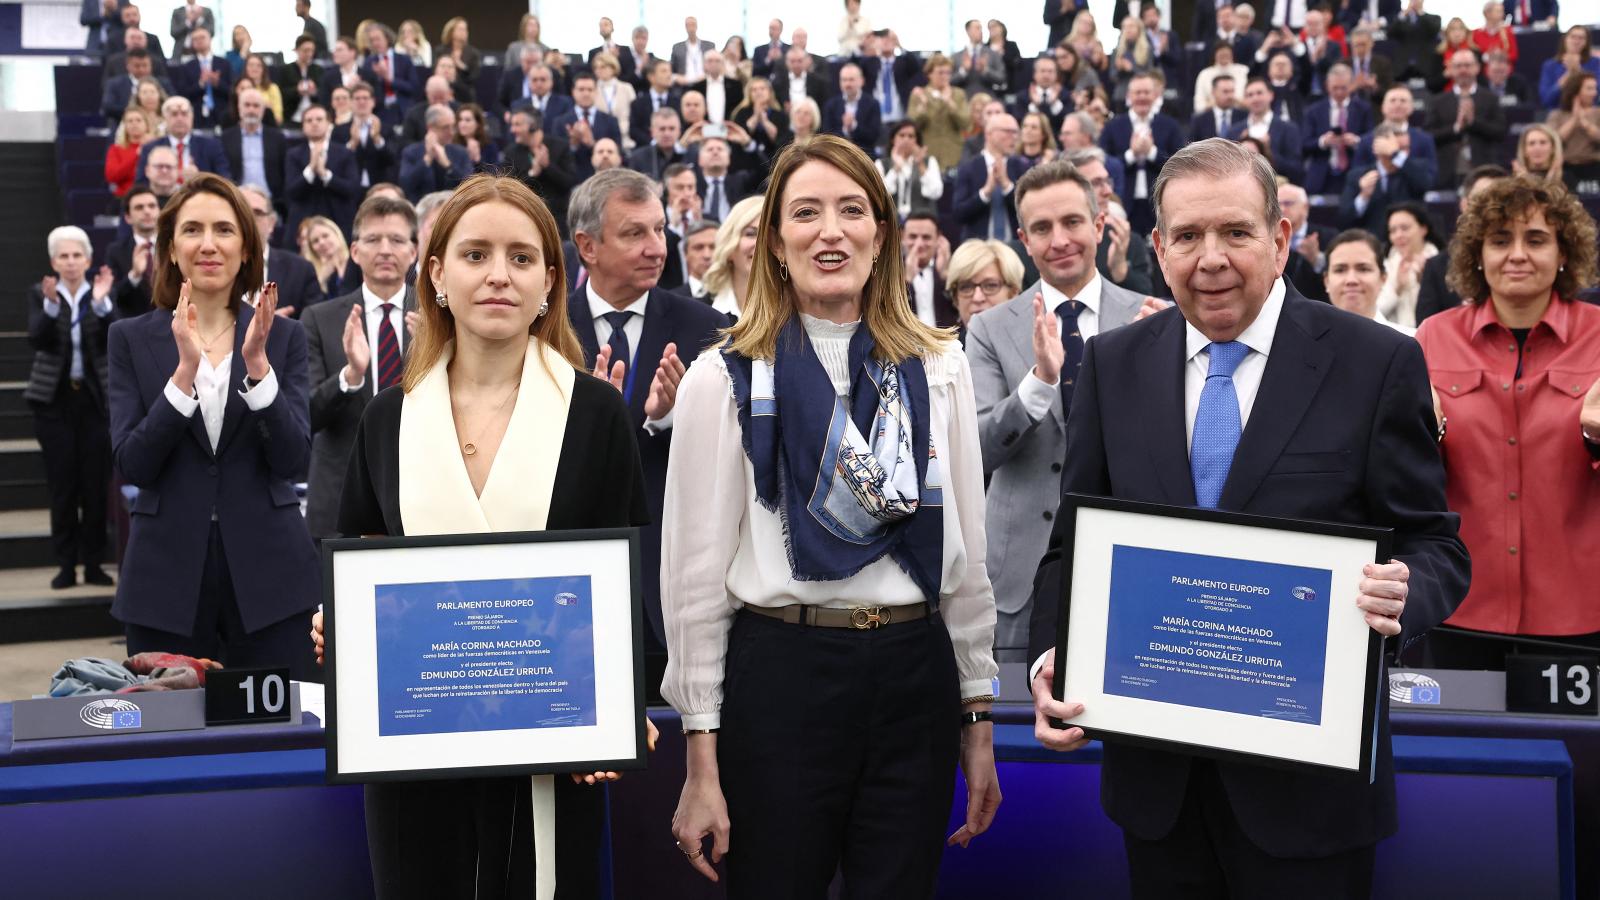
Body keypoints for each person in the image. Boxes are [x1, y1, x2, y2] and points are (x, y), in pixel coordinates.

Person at [1029, 137, 1469, 897]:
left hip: (1311, 798)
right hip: (1159, 791)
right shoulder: (1111, 364)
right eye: (1189, 237)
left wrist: (1407, 592)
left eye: (1235, 232)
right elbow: (1071, 547)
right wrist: (1050, 660)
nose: (1213, 259)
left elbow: (1436, 543)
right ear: (1158, 248)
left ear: (1281, 237)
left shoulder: (1376, 363)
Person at [663, 133, 1000, 898]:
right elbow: (693, 584)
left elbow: (968, 558)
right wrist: (700, 762)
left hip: (915, 679)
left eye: (853, 210)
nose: (831, 231)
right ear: (775, 242)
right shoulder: (724, 380)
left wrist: (977, 717)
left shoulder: (941, 369)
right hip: (782, 679)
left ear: (881, 236)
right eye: (806, 213)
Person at [318, 174, 651, 899]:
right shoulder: (388, 418)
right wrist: (338, 625)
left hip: (555, 757)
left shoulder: (594, 414)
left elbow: (629, 585)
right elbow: (361, 557)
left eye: (522, 257)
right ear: (435, 274)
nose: (499, 274)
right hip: (414, 762)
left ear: (550, 282)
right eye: (475, 254)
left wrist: (617, 707)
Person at [108, 173, 319, 678]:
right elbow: (134, 464)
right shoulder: (130, 339)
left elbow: (293, 459)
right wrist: (183, 375)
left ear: (246, 247)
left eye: (224, 230)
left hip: (273, 581)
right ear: (171, 248)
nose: (208, 244)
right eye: (192, 230)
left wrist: (258, 369)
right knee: (168, 743)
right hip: (165, 583)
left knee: (285, 740)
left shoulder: (282, 337)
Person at [965, 160, 1147, 660]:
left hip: (1124, 565)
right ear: (1024, 239)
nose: (1060, 240)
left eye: (1071, 222)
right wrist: (1039, 383)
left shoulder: (1152, 318)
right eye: (1042, 228)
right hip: (1016, 575)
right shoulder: (990, 327)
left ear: (1099, 225)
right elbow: (977, 448)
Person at [1416, 175, 1600, 667]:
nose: (1517, 254)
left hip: (1580, 609)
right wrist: (1426, 434)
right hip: (1460, 604)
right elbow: (1409, 479)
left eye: (1536, 239)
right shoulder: (1432, 337)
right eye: (1500, 240)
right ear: (1478, 254)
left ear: (1565, 252)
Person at [565, 166, 728, 689]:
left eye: (659, 230)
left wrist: (669, 418)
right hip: (574, 585)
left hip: (674, 574)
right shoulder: (543, 331)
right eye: (635, 233)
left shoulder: (705, 327)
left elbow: (734, 447)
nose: (656, 247)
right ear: (587, 246)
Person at [301, 195, 416, 539]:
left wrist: (436, 357)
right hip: (341, 497)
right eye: (372, 240)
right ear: (354, 251)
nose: (384, 250)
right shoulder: (321, 319)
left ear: (414, 252)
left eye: (396, 240)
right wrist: (350, 375)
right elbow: (307, 414)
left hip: (420, 492)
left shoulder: (440, 318)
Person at [29, 228, 117, 590]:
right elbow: (37, 339)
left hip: (95, 403)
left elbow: (115, 338)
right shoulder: (41, 294)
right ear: (53, 262)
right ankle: (66, 564)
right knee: (62, 488)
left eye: (76, 255)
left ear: (87, 259)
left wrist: (101, 304)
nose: (70, 262)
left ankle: (94, 563)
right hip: (55, 402)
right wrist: (50, 308)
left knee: (95, 487)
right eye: (63, 257)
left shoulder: (100, 294)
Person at [1416, 164, 1509, 323]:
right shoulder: (1437, 267)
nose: (1492, 208)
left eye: (1502, 200)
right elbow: (1425, 333)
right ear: (1464, 204)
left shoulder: (1525, 260)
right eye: (1483, 199)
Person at [1098, 71, 1184, 236]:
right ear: (1129, 96)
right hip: (1123, 202)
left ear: (1155, 95)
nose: (1142, 97)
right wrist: (1132, 154)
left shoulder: (1170, 125)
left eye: (1146, 92)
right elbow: (1104, 165)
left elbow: (1179, 164)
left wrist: (1151, 152)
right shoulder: (1113, 126)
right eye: (1138, 92)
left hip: (1160, 202)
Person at [1426, 50, 1508, 189]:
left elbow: (1501, 132)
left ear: (1477, 68)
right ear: (1450, 69)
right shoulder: (1438, 101)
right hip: (1447, 173)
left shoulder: (1491, 98)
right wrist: (1455, 128)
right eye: (1458, 66)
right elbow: (1429, 135)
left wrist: (1473, 123)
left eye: (1467, 65)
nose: (1463, 70)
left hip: (1484, 170)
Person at [238, 184, 322, 318]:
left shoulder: (301, 270)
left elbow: (314, 327)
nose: (249, 219)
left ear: (271, 223)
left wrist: (281, 329)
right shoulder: (213, 266)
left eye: (257, 213)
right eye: (242, 212)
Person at [285, 104, 359, 239]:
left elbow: (352, 188)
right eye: (309, 120)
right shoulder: (293, 154)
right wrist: (310, 170)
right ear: (303, 126)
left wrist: (325, 175)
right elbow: (291, 191)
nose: (314, 123)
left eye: (319, 119)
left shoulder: (345, 153)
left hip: (340, 222)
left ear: (329, 123)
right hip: (303, 224)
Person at [1323, 229, 1413, 333]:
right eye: (1340, 270)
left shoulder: (1413, 341)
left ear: (1383, 278)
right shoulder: (1304, 344)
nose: (1351, 280)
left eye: (1363, 269)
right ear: (1326, 281)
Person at [954, 113, 1024, 242]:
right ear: (988, 134)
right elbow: (959, 214)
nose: (1014, 137)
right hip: (978, 248)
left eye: (1016, 132)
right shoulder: (968, 168)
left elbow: (1028, 210)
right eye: (1008, 132)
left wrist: (1007, 186)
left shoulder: (1022, 167)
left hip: (1016, 248)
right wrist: (985, 193)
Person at [1302, 63, 1370, 196]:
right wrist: (1324, 141)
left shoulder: (1363, 109)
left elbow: (1370, 140)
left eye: (1343, 88)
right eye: (1335, 88)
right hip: (1321, 175)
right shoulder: (1314, 110)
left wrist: (1356, 141)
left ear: (1351, 85)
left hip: (1353, 172)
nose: (1339, 92)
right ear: (1327, 85)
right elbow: (1304, 144)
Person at [508, 109, 578, 237]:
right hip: (524, 218)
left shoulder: (560, 146)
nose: (512, 130)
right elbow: (509, 187)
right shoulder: (511, 152)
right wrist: (533, 173)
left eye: (517, 125)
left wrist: (547, 166)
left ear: (533, 126)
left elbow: (569, 181)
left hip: (557, 219)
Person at [1226, 76, 1306, 185]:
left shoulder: (1289, 129)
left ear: (1271, 95)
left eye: (1259, 93)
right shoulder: (1234, 131)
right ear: (1245, 100)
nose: (1255, 98)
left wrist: (1268, 151)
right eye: (1250, 95)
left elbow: (1297, 170)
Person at [136, 96, 231, 182]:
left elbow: (225, 179)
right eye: (174, 114)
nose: (180, 118)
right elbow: (141, 183)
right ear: (165, 119)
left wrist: (199, 178)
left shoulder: (211, 146)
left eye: (184, 114)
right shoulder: (150, 148)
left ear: (192, 118)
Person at [1378, 201, 1441, 329]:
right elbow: (1374, 313)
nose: (1398, 235)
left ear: (1423, 229)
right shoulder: (1384, 265)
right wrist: (1397, 289)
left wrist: (1426, 283)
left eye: (1405, 228)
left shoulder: (1441, 263)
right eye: (1393, 230)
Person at [945, 239, 1024, 335]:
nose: (977, 298)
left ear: (1014, 292)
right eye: (966, 287)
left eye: (990, 286)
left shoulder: (1036, 345)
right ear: (956, 299)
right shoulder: (948, 349)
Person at [701, 196, 761, 319]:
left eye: (769, 234)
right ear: (728, 245)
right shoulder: (696, 314)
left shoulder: (799, 314)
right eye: (750, 234)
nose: (761, 244)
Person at [220, 88, 284, 204]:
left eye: (256, 106)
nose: (251, 110)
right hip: (236, 200)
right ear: (239, 108)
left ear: (263, 110)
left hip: (271, 201)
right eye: (247, 105)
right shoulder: (225, 138)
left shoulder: (277, 138)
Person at [908, 55, 970, 173]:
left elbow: (965, 123)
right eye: (940, 72)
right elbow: (912, 126)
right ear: (929, 74)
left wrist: (950, 104)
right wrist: (923, 106)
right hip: (928, 153)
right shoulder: (918, 94)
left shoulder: (958, 94)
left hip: (953, 153)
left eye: (948, 72)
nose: (945, 76)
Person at [399, 105, 472, 203]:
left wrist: (448, 165)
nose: (451, 132)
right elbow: (405, 185)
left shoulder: (461, 152)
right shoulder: (411, 152)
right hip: (421, 210)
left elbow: (470, 185)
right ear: (430, 127)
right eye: (445, 127)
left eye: (453, 126)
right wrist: (427, 159)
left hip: (453, 209)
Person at [107, 186, 160, 317]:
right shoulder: (116, 251)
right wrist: (134, 275)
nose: (147, 211)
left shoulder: (174, 246)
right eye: (139, 207)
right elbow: (114, 297)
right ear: (128, 217)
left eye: (152, 206)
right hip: (136, 325)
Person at [1279, 182, 1337, 303]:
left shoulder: (1329, 237)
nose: (1283, 209)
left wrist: (1316, 260)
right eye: (1278, 204)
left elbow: (1336, 278)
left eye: (1288, 203)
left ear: (1305, 207)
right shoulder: (1271, 238)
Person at [1547, 72, 1600, 193]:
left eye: (1595, 88)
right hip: (1567, 170)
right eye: (1589, 88)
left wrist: (1585, 124)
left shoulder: (1598, 113)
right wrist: (1574, 120)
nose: (1594, 93)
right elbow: (1553, 140)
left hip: (1595, 168)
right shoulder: (1557, 115)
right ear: (1576, 91)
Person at [880, 121, 944, 220]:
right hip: (891, 223)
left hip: (921, 223)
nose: (906, 139)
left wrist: (921, 165)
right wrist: (896, 168)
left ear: (916, 140)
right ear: (893, 139)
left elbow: (936, 192)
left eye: (911, 136)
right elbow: (880, 194)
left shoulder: (929, 161)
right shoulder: (881, 164)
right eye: (902, 135)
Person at [173, 26, 231, 130]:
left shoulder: (224, 64)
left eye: (202, 37)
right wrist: (200, 84)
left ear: (210, 39)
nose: (199, 41)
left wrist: (217, 83)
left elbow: (232, 91)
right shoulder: (186, 67)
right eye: (195, 39)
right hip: (196, 117)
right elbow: (182, 94)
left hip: (222, 115)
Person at [903, 212, 955, 328]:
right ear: (902, 237)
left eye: (926, 237)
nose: (919, 244)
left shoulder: (951, 269)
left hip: (945, 341)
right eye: (913, 237)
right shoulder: (888, 271)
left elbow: (959, 309)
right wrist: (907, 280)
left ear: (938, 239)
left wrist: (945, 277)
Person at [822, 63, 882, 158]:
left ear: (861, 81)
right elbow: (827, 135)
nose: (847, 84)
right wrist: (845, 129)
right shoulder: (831, 105)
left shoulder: (873, 104)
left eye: (851, 79)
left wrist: (854, 126)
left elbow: (874, 135)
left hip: (865, 156)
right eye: (844, 80)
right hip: (838, 155)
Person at [1539, 26, 1600, 110]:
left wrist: (1578, 70)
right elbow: (1547, 100)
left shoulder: (1595, 63)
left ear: (1586, 42)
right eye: (1573, 37)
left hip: (1588, 112)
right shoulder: (1550, 65)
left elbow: (1596, 96)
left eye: (1581, 38)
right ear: (1565, 39)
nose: (1576, 41)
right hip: (1558, 112)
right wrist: (1569, 74)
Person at [591, 52, 637, 152]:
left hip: (626, 140)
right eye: (596, 67)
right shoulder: (592, 89)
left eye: (603, 67)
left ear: (613, 67)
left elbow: (635, 114)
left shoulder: (626, 88)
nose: (599, 70)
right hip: (601, 141)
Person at [302, 216, 352, 297]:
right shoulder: (313, 274)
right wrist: (322, 280)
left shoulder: (356, 260)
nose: (321, 242)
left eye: (325, 236)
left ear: (336, 234)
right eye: (315, 241)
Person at [106, 106, 150, 197]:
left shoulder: (156, 147)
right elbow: (112, 176)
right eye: (130, 121)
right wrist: (136, 154)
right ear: (124, 126)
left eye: (138, 120)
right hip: (124, 197)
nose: (134, 124)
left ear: (146, 124)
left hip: (151, 195)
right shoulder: (115, 149)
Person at [437, 17, 481, 95]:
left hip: (465, 90)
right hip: (442, 87)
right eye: (460, 29)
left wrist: (462, 66)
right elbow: (434, 71)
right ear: (451, 31)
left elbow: (475, 77)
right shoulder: (440, 51)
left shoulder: (473, 53)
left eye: (465, 29)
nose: (464, 32)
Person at [453, 103, 499, 171]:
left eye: (467, 120)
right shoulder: (453, 144)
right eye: (460, 120)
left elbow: (494, 172)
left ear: (478, 124)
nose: (462, 124)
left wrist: (478, 159)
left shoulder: (489, 145)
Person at [1471, 1, 1517, 65]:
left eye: (1502, 11)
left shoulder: (1508, 31)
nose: (1502, 14)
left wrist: (1499, 57)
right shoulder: (1476, 33)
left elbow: (1513, 55)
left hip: (1503, 69)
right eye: (1498, 11)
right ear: (1487, 13)